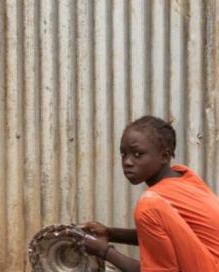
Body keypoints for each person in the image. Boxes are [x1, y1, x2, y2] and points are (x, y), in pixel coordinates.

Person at [78, 116, 219, 271]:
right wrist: (110, 233)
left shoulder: (150, 204)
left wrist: (104, 251)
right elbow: (163, 238)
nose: (127, 162)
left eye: (137, 154)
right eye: (124, 154)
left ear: (164, 156)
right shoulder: (185, 177)